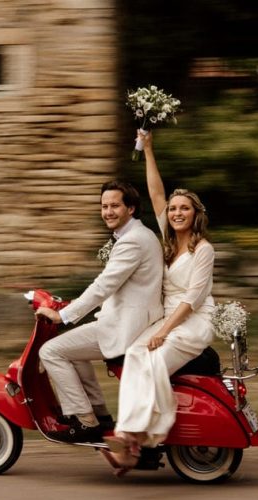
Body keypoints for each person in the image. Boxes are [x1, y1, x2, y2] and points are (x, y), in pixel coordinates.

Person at [100, 130, 216, 475]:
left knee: (152, 361)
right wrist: (148, 149)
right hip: (169, 318)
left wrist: (164, 332)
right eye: (174, 209)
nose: (177, 213)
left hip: (191, 322)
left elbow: (194, 299)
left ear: (196, 214)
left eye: (185, 209)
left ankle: (137, 437)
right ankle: (131, 438)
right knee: (135, 354)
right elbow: (155, 194)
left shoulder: (204, 250)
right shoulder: (168, 240)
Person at [35, 180, 164, 443]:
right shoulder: (140, 235)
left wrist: (64, 316)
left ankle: (85, 419)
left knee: (50, 351)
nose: (108, 212)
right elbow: (115, 285)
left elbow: (105, 285)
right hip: (130, 319)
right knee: (72, 350)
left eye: (115, 205)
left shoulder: (133, 241)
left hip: (127, 327)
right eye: (104, 206)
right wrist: (71, 304)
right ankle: (99, 413)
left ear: (131, 208)